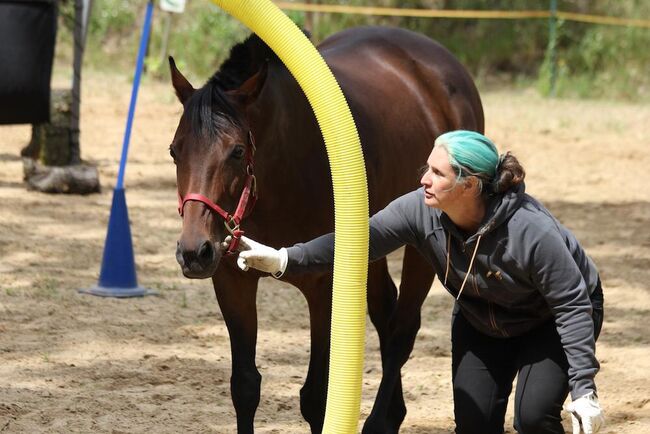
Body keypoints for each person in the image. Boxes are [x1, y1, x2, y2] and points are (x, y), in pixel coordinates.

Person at [229, 130, 605, 434]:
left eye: (438, 174)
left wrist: (584, 390)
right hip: (482, 318)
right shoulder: (419, 210)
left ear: (470, 185)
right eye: (428, 167)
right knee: (474, 425)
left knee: (533, 417)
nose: (424, 179)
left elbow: (572, 304)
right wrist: (285, 259)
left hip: (550, 320)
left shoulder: (530, 231)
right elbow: (359, 240)